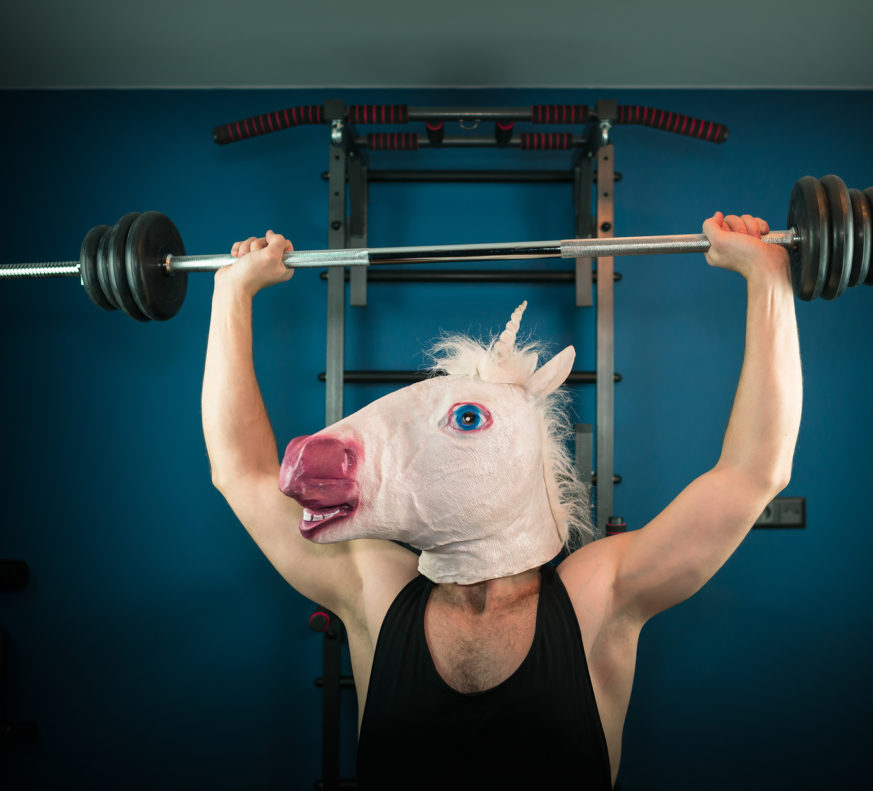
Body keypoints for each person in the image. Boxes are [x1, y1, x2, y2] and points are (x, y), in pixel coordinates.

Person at [200, 213, 801, 789]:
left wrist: (767, 276)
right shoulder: (373, 590)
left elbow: (752, 474)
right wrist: (231, 296)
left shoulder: (600, 596)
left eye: (468, 418)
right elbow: (244, 473)